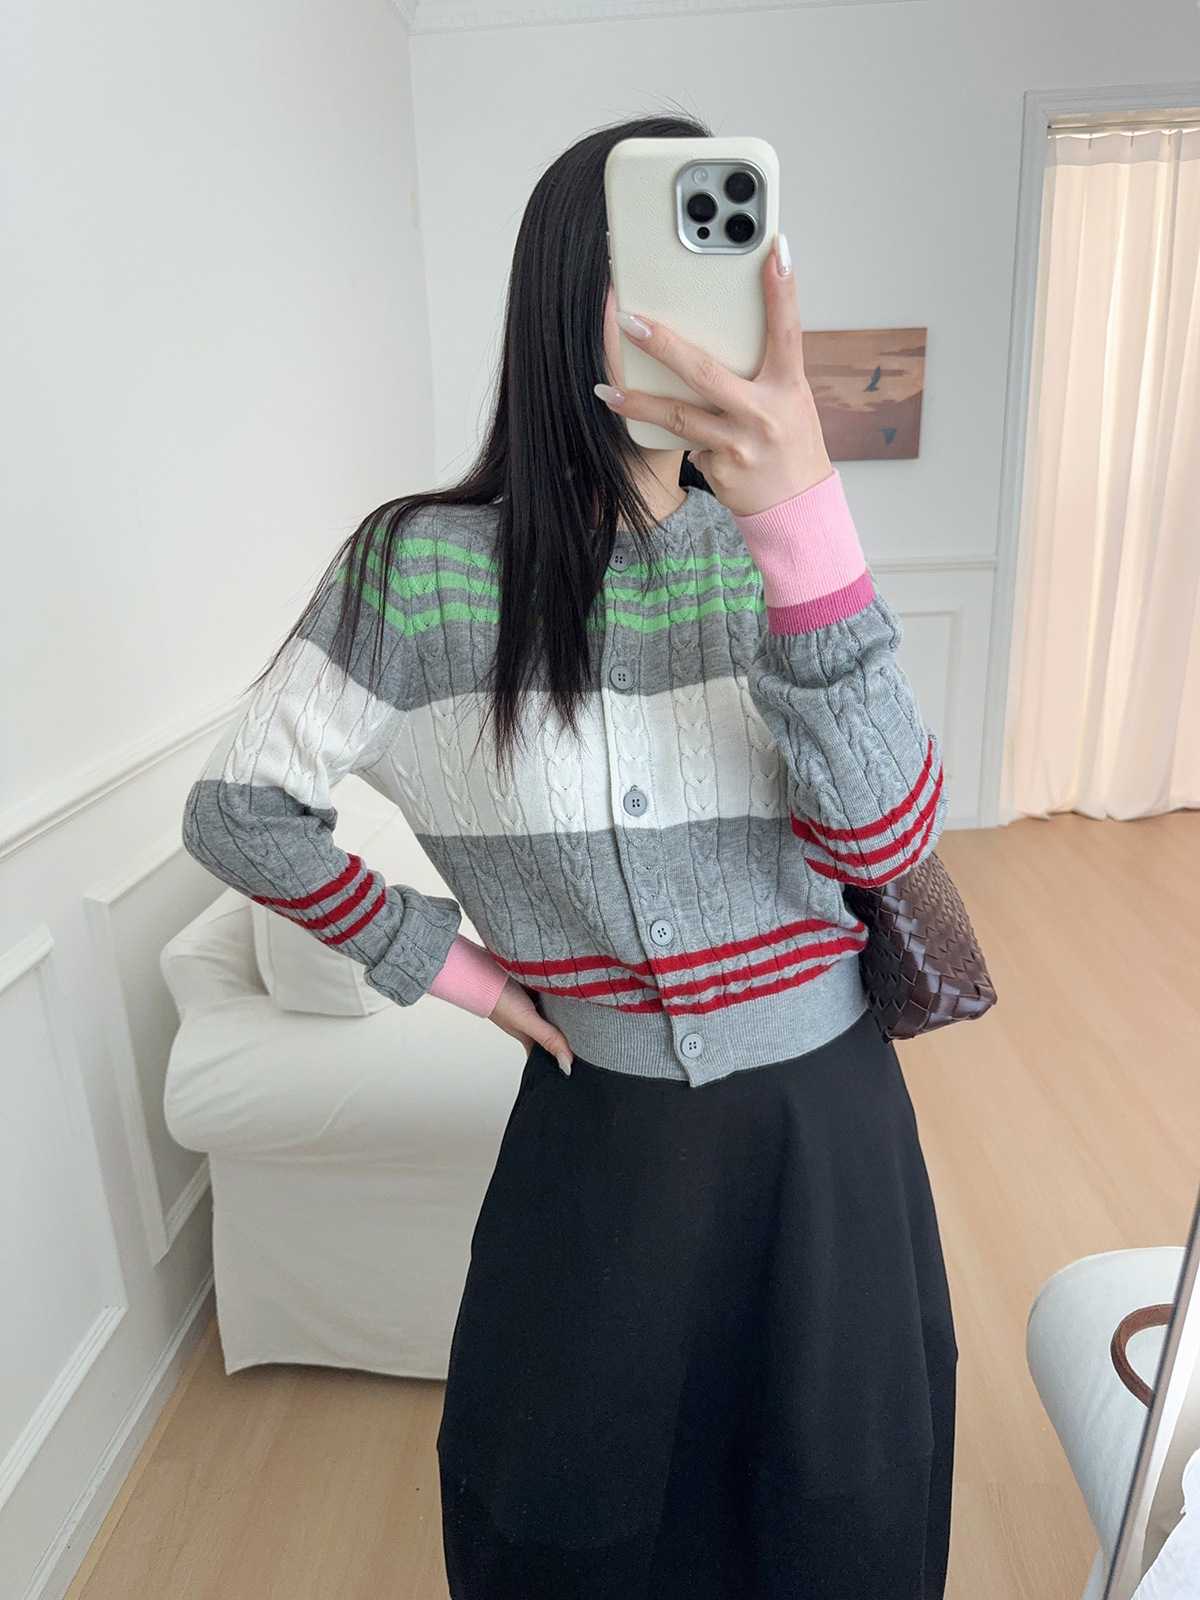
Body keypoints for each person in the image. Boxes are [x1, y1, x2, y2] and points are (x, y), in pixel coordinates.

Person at [182, 111, 957, 1600]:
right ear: (568, 296)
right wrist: (455, 971)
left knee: (843, 1510)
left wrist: (803, 521)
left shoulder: (779, 545)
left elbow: (890, 836)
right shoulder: (419, 568)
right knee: (572, 1521)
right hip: (603, 1143)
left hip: (832, 1135)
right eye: (659, 266)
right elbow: (237, 811)